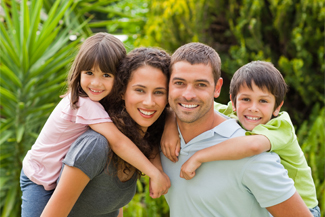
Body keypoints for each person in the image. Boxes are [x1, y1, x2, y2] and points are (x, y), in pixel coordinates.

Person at [20, 33, 170, 217]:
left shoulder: (101, 104)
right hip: (37, 177)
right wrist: (154, 173)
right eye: (89, 73)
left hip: (54, 173)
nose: (96, 83)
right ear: (79, 72)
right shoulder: (85, 104)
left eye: (106, 75)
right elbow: (118, 142)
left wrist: (169, 127)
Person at [160, 42, 313, 216]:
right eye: (179, 82)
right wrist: (169, 123)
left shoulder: (254, 154)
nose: (188, 94)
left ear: (217, 88)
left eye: (201, 84)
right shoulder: (161, 133)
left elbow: (253, 146)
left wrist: (199, 156)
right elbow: (183, 106)